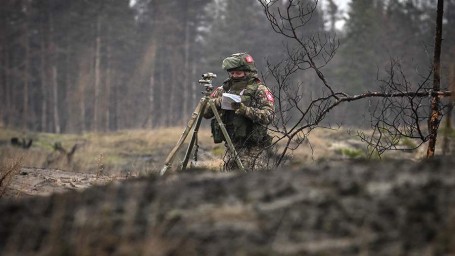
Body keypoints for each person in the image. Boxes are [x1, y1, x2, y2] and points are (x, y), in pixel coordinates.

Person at [204, 53, 275, 171]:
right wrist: (217, 102)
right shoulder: (224, 89)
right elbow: (205, 113)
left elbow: (269, 115)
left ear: (247, 72)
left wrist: (245, 110)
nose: (234, 76)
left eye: (238, 73)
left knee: (248, 177)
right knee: (230, 176)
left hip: (252, 147)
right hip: (231, 144)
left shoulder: (260, 89)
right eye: (232, 73)